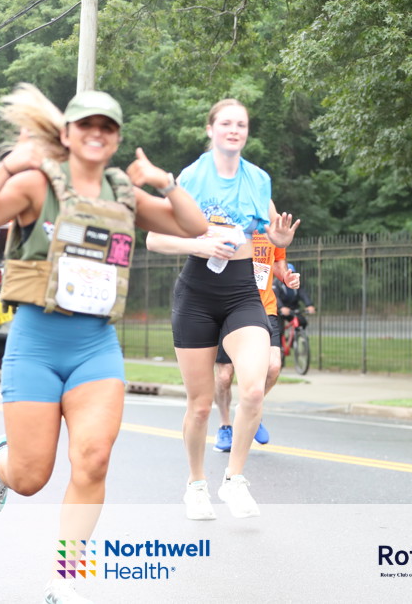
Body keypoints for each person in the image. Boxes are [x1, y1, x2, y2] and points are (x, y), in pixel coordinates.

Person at [0, 84, 206, 603]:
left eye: (106, 127)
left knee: (93, 459)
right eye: (86, 125)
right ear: (67, 134)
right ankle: (1, 464)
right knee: (30, 478)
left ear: (116, 139)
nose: (96, 133)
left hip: (95, 347)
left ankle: (65, 578)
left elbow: (194, 226)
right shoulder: (36, 184)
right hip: (36, 345)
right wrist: (8, 165)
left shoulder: (124, 194)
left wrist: (165, 181)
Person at [146, 98, 298, 521]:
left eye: (241, 124)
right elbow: (154, 239)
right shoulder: (192, 177)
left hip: (241, 292)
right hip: (197, 293)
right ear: (210, 129)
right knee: (199, 405)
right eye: (226, 123)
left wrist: (280, 240)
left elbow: (269, 235)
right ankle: (196, 485)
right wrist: (198, 244)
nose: (234, 130)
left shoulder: (258, 179)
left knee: (254, 388)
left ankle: (234, 479)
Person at [212, 239, 299, 453]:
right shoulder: (230, 224)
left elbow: (278, 263)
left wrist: (286, 276)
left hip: (264, 307)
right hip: (228, 307)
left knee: (273, 367)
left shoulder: (273, 228)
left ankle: (249, 409)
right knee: (224, 375)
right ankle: (225, 426)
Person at [274, 263, 315, 327]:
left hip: (293, 309)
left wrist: (309, 305)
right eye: (287, 274)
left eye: (292, 273)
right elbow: (275, 296)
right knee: (278, 329)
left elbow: (303, 294)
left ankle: (298, 333)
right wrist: (281, 307)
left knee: (302, 322)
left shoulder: (296, 283)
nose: (289, 276)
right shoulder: (276, 283)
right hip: (279, 310)